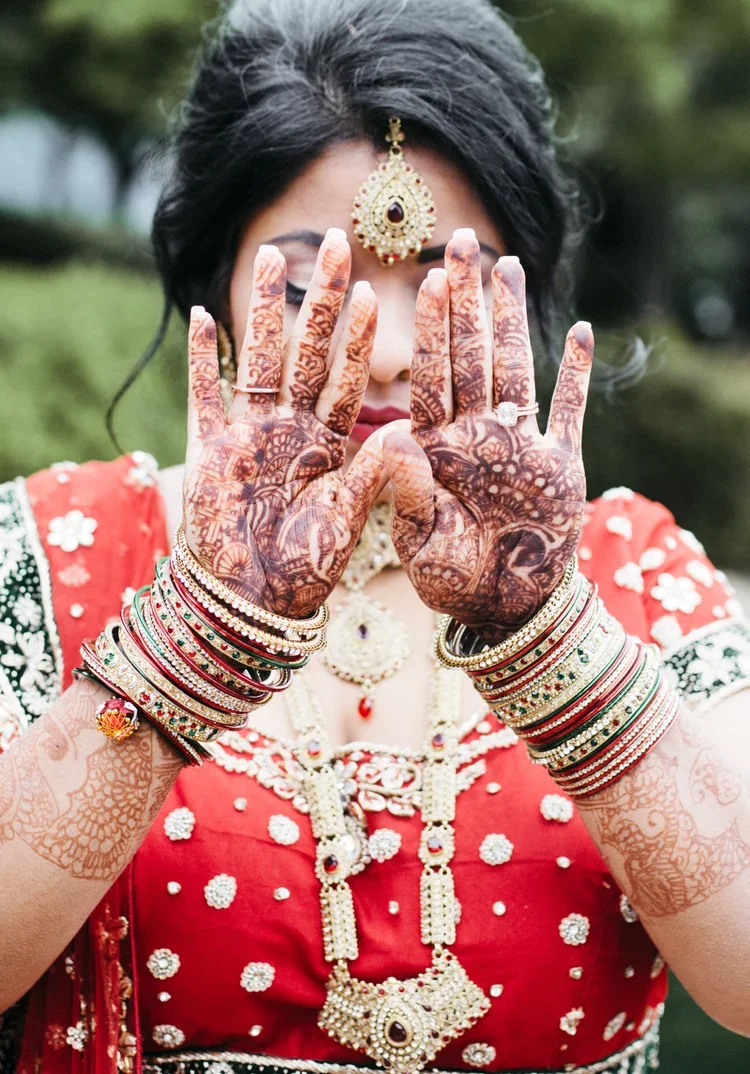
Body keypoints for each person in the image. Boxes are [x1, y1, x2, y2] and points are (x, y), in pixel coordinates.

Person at [1, 1, 749, 1073]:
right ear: (218, 278)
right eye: (315, 289)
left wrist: (545, 631)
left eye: (451, 288)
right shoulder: (53, 548)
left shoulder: (633, 567)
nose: (393, 349)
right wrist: (195, 636)